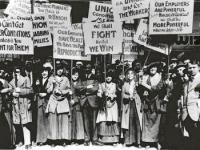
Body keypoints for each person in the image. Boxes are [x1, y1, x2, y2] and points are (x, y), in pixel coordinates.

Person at [138, 62, 165, 148]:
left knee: (157, 122)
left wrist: (145, 85)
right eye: (150, 68)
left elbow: (158, 89)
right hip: (147, 102)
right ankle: (148, 141)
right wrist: (143, 91)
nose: (152, 69)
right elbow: (141, 89)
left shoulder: (161, 77)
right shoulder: (146, 77)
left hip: (156, 102)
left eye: (154, 67)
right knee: (147, 122)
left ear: (157, 68)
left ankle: (156, 141)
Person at [45, 63, 72, 146]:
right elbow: (48, 91)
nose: (60, 71)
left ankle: (63, 139)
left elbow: (69, 89)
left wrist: (61, 92)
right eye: (58, 69)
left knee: (63, 120)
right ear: (55, 70)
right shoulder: (51, 78)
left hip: (63, 101)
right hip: (53, 101)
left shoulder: (66, 79)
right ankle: (53, 140)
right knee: (53, 121)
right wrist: (52, 85)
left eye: (61, 69)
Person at [10, 66, 33, 149]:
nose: (17, 74)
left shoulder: (26, 79)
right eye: (15, 72)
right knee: (17, 124)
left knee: (25, 124)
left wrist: (20, 91)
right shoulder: (12, 81)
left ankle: (28, 142)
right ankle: (20, 141)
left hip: (24, 104)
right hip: (16, 105)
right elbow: (10, 90)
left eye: (18, 71)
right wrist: (12, 93)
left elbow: (30, 90)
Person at [96, 70, 120, 145]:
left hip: (113, 104)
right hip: (104, 104)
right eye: (106, 76)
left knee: (112, 120)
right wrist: (102, 94)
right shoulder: (102, 84)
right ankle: (103, 138)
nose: (108, 78)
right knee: (104, 119)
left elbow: (117, 93)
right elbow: (99, 93)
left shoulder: (115, 85)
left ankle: (114, 139)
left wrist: (113, 96)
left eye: (109, 76)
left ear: (112, 77)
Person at [80, 63, 101, 146]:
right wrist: (87, 87)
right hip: (84, 101)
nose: (87, 69)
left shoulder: (95, 77)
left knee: (94, 121)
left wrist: (85, 89)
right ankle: (87, 139)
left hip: (93, 101)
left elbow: (95, 88)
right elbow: (78, 87)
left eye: (89, 68)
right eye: (86, 67)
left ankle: (94, 139)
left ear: (91, 68)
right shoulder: (81, 77)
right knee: (86, 121)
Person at [121, 68, 142, 147]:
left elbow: (141, 93)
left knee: (137, 122)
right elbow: (123, 95)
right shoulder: (125, 84)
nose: (130, 75)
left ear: (134, 75)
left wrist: (136, 93)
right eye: (128, 74)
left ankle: (138, 142)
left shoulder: (137, 83)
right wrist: (128, 97)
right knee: (128, 123)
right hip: (128, 104)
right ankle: (127, 141)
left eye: (132, 74)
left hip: (136, 104)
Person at [182, 61, 200, 150]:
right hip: (187, 113)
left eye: (194, 67)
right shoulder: (187, 80)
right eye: (190, 68)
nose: (191, 69)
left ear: (199, 68)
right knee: (191, 136)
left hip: (197, 111)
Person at [35, 64, 52, 145]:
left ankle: (49, 139)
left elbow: (53, 91)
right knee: (41, 121)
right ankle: (41, 139)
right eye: (42, 71)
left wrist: (46, 95)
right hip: (40, 102)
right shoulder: (38, 80)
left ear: (48, 72)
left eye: (45, 71)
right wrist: (38, 90)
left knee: (49, 120)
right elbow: (34, 90)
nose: (44, 73)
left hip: (48, 101)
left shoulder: (51, 80)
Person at [0, 65, 14, 149]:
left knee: (6, 124)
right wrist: (8, 89)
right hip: (1, 104)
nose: (1, 73)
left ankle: (6, 143)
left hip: (5, 104)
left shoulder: (5, 81)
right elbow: (1, 91)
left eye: (2, 71)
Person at [70, 68, 85, 144]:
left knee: (78, 122)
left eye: (76, 75)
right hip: (70, 105)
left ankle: (79, 138)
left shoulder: (80, 83)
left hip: (78, 105)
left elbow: (82, 95)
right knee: (72, 122)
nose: (75, 76)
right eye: (73, 75)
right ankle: (72, 138)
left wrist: (75, 100)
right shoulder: (69, 83)